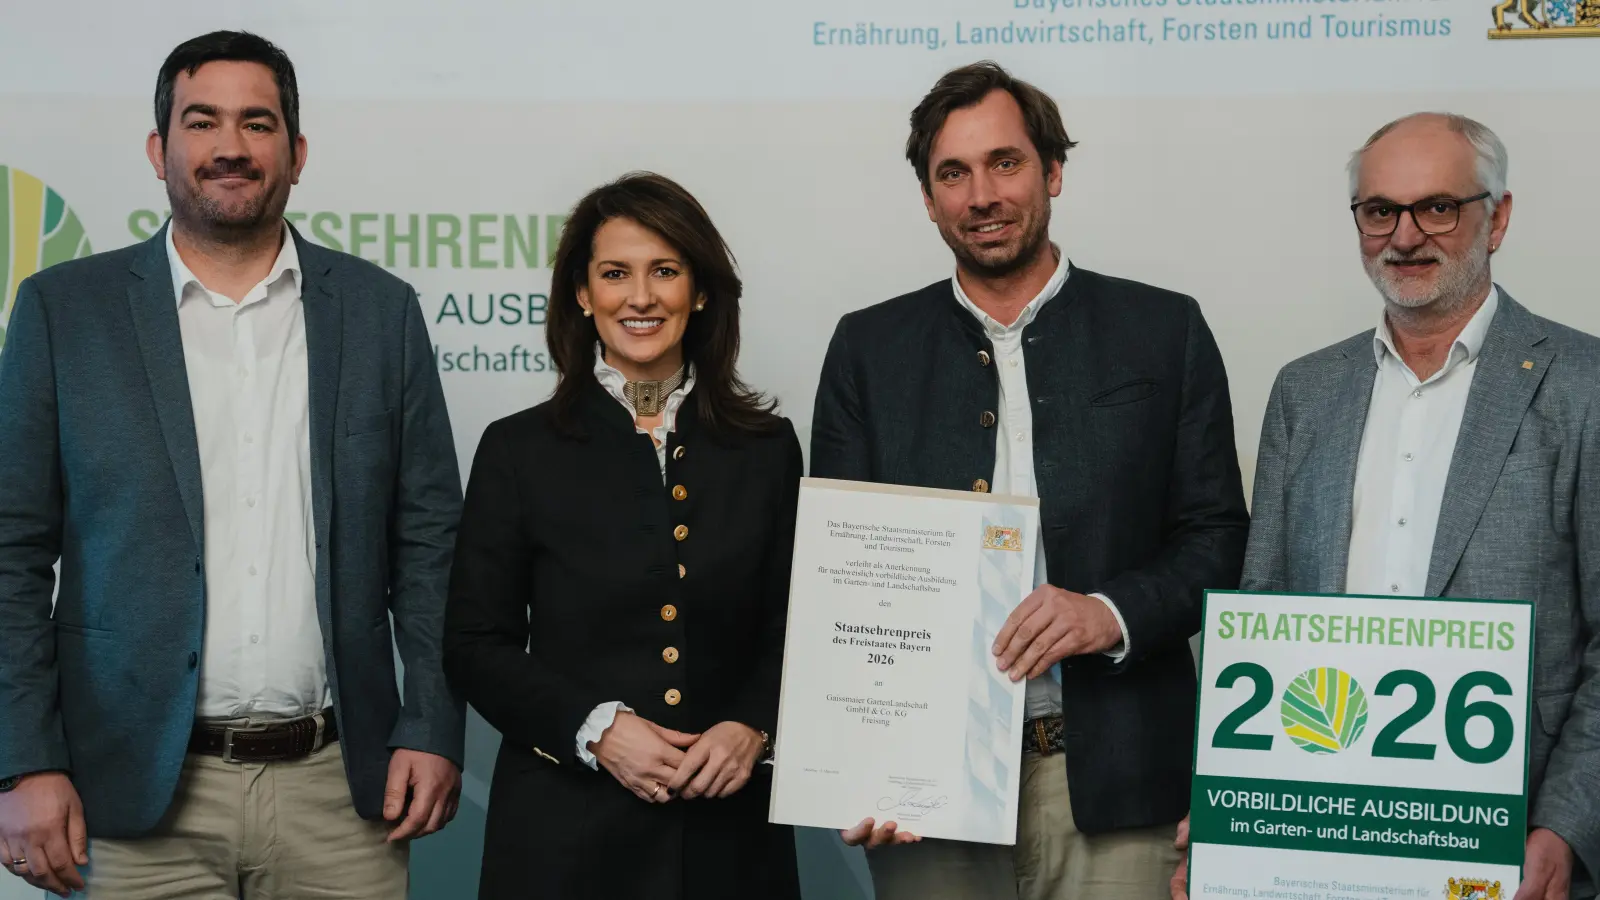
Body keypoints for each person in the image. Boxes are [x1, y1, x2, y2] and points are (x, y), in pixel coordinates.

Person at [0, 31, 465, 898]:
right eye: (201, 121)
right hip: (131, 794)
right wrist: (23, 760)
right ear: (158, 149)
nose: (230, 148)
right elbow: (11, 552)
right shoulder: (65, 313)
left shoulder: (381, 313)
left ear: (296, 151)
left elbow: (430, 544)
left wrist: (431, 723)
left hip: (339, 792)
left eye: (258, 123)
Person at [810, 60, 1250, 900]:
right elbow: (839, 577)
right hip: (924, 789)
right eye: (953, 173)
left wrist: (1106, 612)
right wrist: (856, 762)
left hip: (1120, 781)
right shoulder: (869, 350)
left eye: (1005, 163)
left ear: (1052, 172)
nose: (981, 194)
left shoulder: (1164, 329)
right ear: (929, 197)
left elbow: (1218, 540)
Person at [1170, 113, 1599, 900]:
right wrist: (1232, 815)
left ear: (1496, 218)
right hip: (1321, 839)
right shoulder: (1305, 391)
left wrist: (1567, 825)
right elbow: (1263, 621)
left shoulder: (1583, 386)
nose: (1404, 236)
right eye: (1379, 211)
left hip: (1508, 836)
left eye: (1438, 207)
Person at [442, 171, 803, 900]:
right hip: (563, 840)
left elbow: (795, 625)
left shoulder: (768, 448)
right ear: (582, 293)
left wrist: (754, 726)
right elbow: (475, 645)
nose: (640, 297)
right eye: (615, 274)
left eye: (665, 271)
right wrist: (595, 728)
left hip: (730, 839)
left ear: (700, 291)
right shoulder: (518, 450)